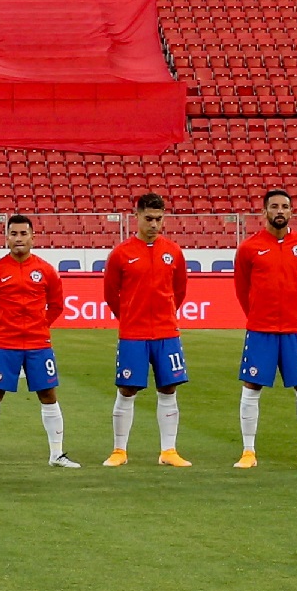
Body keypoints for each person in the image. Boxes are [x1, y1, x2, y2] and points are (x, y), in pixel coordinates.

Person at [233, 189, 297, 470]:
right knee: (252, 386)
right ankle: (248, 452)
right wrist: (257, 315)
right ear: (264, 211)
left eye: (285, 206)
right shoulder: (249, 247)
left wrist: (293, 310)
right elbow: (242, 288)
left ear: (291, 212)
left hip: (294, 330)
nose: (280, 211)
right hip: (260, 329)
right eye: (274, 206)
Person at [0, 214, 76, 469]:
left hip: (38, 345)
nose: (19, 239)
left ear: (32, 237)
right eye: (14, 234)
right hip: (5, 344)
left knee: (48, 394)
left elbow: (57, 305)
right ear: (6, 238)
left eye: (23, 234)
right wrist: (0, 326)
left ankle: (57, 454)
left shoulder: (46, 270)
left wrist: (40, 325)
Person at [101, 192, 192, 468]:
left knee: (169, 388)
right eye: (149, 218)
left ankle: (168, 451)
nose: (154, 224)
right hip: (133, 334)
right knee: (127, 389)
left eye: (158, 219)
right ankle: (119, 450)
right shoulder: (121, 253)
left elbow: (179, 291)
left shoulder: (173, 251)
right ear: (137, 216)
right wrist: (129, 318)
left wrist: (166, 315)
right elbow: (111, 294)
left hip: (167, 333)